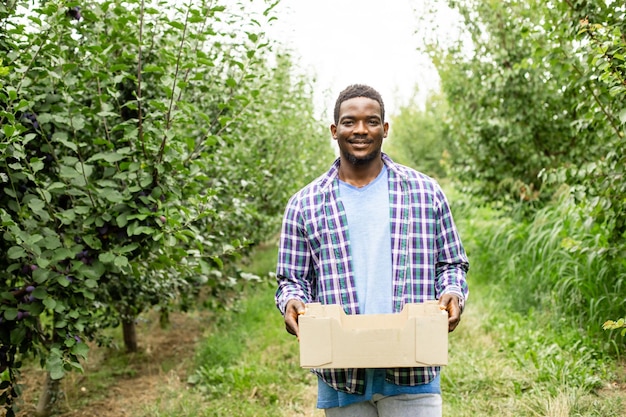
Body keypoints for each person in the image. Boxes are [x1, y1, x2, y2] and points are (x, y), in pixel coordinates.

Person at [275, 84, 469, 417]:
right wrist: (292, 303)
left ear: (385, 129)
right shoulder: (305, 204)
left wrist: (452, 292)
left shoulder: (424, 192)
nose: (361, 129)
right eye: (350, 122)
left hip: (414, 368)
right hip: (342, 373)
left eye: (372, 121)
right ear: (335, 131)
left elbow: (450, 263)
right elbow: (292, 280)